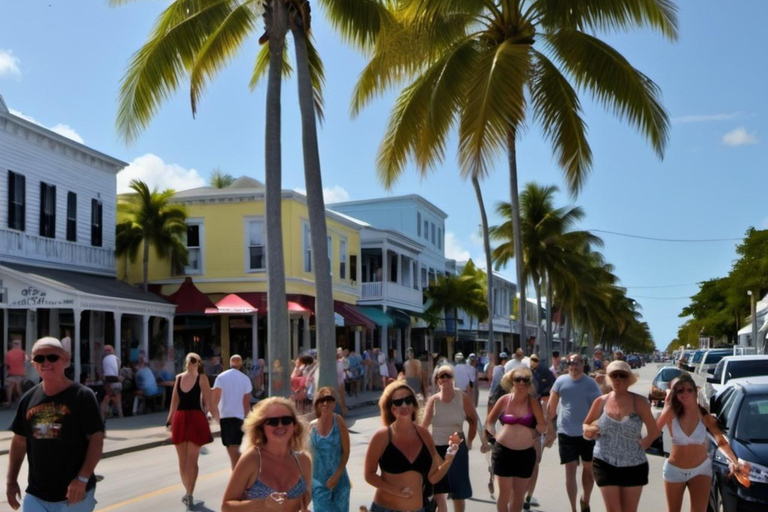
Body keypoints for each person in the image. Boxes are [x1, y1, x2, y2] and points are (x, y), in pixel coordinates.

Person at [6, 337, 105, 511]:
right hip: (36, 494)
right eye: (39, 358)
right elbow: (19, 441)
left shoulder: (83, 396)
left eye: (52, 357)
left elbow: (96, 439)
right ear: (33, 362)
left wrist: (82, 479)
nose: (45, 363)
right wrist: (11, 481)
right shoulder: (28, 399)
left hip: (74, 494)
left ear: (65, 360)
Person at [365, 381, 461, 512]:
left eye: (408, 400)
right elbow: (369, 475)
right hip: (385, 508)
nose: (404, 405)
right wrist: (396, 491)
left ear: (414, 404)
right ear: (391, 408)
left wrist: (449, 459)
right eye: (398, 402)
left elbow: (434, 477)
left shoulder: (423, 434)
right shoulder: (382, 436)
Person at [655, 372, 745, 512]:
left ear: (696, 391)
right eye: (680, 391)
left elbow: (721, 441)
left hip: (701, 469)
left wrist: (734, 461)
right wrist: (666, 406)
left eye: (689, 390)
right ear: (676, 395)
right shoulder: (671, 413)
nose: (685, 393)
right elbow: (654, 432)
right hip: (674, 471)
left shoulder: (705, 416)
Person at [582, 361, 659, 512]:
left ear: (629, 378)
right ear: (609, 378)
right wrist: (590, 430)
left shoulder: (640, 402)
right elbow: (585, 424)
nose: (618, 379)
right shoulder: (601, 401)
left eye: (622, 376)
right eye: (614, 375)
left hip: (634, 464)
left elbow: (654, 431)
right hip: (604, 461)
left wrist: (645, 443)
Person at [222, 397, 312, 512]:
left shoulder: (303, 460)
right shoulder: (252, 458)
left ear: (294, 426)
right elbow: (226, 507)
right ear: (261, 428)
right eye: (272, 422)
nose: (280, 425)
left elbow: (305, 499)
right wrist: (263, 504)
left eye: (286, 420)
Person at [422, 365, 485, 512]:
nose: (445, 379)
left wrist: (469, 441)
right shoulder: (433, 400)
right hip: (436, 448)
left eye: (448, 376)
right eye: (441, 377)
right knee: (438, 490)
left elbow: (473, 420)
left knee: (458, 491)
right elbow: (424, 426)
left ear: (453, 379)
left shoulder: (462, 397)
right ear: (437, 381)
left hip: (456, 447)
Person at [545, 354, 602, 512]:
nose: (574, 366)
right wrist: (550, 429)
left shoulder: (591, 384)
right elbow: (551, 407)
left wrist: (597, 427)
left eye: (577, 363)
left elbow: (600, 406)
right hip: (565, 432)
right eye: (571, 363)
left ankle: (585, 500)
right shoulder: (560, 381)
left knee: (588, 469)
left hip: (586, 433)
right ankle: (573, 509)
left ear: (583, 364)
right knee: (569, 471)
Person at [486, 367, 547, 512]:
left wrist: (536, 431)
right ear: (512, 382)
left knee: (519, 496)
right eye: (517, 379)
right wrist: (493, 436)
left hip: (525, 453)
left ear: (529, 383)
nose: (521, 382)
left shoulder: (532, 402)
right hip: (503, 451)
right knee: (504, 494)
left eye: (525, 380)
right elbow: (489, 422)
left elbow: (542, 426)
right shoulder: (504, 400)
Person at [166, 352, 213, 509]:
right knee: (182, 461)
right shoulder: (179, 377)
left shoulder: (202, 378)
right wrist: (169, 419)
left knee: (192, 461)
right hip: (180, 419)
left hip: (196, 418)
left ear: (198, 363)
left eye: (193, 361)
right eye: (188, 360)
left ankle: (190, 492)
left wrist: (211, 415)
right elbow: (174, 401)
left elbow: (208, 399)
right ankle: (187, 489)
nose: (189, 363)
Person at [309, 387, 351, 512]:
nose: (325, 403)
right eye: (322, 400)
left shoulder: (339, 421)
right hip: (319, 482)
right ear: (317, 404)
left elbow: (346, 452)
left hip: (340, 480)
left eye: (329, 400)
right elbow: (308, 456)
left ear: (334, 403)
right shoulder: (311, 427)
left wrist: (337, 475)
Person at [523, 354, 555, 510]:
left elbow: (547, 408)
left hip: (536, 431)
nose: (522, 383)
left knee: (535, 463)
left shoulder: (545, 377)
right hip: (517, 436)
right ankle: (520, 492)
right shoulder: (510, 397)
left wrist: (550, 431)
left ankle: (528, 496)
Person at [212, 354, 253, 469]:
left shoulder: (221, 377)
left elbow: (215, 399)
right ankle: (240, 476)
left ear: (230, 363)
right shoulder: (245, 379)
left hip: (225, 418)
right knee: (238, 450)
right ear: (241, 364)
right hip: (239, 418)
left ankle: (238, 477)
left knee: (232, 452)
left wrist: (215, 415)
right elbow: (246, 403)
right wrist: (248, 419)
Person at [100, 345, 123, 418]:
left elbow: (103, 373)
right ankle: (120, 414)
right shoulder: (117, 359)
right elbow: (118, 370)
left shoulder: (103, 360)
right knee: (118, 399)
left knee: (106, 398)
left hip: (108, 382)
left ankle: (102, 415)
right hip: (116, 382)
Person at [4, 339, 27, 407]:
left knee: (10, 387)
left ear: (12, 345)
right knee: (18, 387)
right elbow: (25, 362)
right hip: (20, 373)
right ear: (20, 345)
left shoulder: (8, 353)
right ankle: (24, 401)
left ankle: (9, 402)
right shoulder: (23, 353)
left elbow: (6, 364)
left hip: (11, 373)